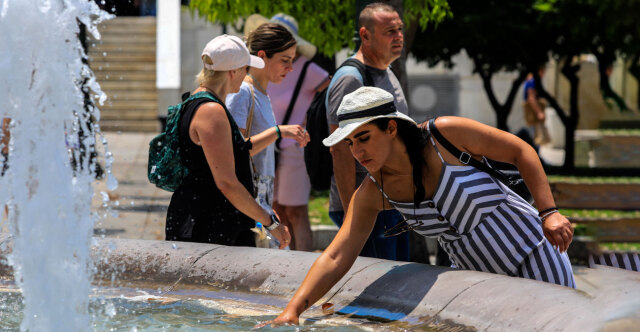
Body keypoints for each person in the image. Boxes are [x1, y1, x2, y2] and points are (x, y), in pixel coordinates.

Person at [260, 86, 575, 326]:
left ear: (392, 128)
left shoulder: (445, 135)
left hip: (532, 254)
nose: (357, 151)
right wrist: (293, 310)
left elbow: (521, 151)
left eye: (364, 137)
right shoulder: (373, 191)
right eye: (351, 142)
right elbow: (335, 255)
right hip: (477, 279)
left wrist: (549, 212)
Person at [165, 34, 293, 248]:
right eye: (245, 69)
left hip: (205, 220)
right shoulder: (211, 111)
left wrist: (259, 207)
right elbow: (227, 183)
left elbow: (237, 153)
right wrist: (270, 223)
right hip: (209, 227)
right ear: (233, 72)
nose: (247, 75)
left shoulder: (199, 101)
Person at [326, 2, 409, 260]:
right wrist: (354, 211)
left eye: (400, 29)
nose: (398, 37)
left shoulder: (387, 69)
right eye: (389, 31)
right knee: (376, 291)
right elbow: (340, 149)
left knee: (398, 287)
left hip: (392, 202)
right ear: (365, 35)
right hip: (367, 207)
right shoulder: (351, 78)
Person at [226, 23, 311, 233]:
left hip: (258, 208)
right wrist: (279, 131)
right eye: (285, 60)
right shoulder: (243, 92)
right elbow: (234, 153)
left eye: (292, 61)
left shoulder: (260, 93)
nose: (290, 68)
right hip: (243, 211)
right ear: (263, 55)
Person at [258, 13, 330, 252]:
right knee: (277, 209)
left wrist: (312, 124)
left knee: (296, 211)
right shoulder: (270, 67)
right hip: (270, 148)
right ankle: (286, 266)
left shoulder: (308, 68)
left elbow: (331, 94)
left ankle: (306, 267)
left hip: (295, 151)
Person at [523, 65, 551, 147]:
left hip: (533, 113)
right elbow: (531, 98)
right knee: (535, 139)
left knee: (535, 138)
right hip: (533, 114)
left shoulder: (529, 80)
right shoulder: (532, 81)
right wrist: (539, 112)